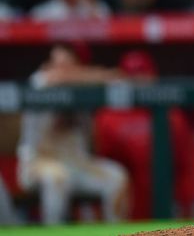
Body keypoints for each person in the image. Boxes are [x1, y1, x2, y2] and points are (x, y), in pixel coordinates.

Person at [17, 44, 128, 224]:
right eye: (57, 63)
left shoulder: (83, 89)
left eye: (67, 64)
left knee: (117, 177)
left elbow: (119, 82)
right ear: (47, 65)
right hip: (38, 163)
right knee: (57, 178)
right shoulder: (39, 81)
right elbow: (58, 77)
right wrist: (104, 75)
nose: (62, 69)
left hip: (78, 164)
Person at [94, 50, 194, 219]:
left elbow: (183, 167)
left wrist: (187, 210)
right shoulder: (108, 117)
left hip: (162, 204)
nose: (137, 81)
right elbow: (103, 167)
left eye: (142, 75)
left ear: (153, 76)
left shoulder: (171, 116)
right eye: (132, 76)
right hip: (124, 207)